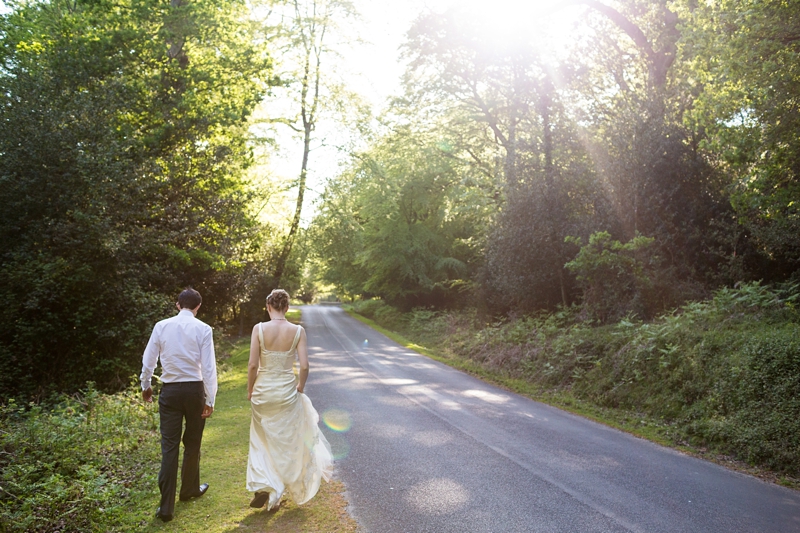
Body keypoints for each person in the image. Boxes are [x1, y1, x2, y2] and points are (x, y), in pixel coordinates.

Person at [246, 289, 333, 511]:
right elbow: (304, 365)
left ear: (268, 307)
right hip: (286, 392)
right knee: (286, 441)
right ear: (287, 307)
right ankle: (277, 487)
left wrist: (250, 389)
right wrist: (300, 387)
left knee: (262, 441)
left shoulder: (259, 329)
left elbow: (253, 365)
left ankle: (268, 485)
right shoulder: (297, 331)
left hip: (263, 392)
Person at [140, 288, 218, 522]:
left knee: (169, 447)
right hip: (195, 391)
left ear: (177, 305)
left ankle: (166, 507)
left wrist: (146, 385)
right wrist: (210, 398)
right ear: (198, 307)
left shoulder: (161, 326)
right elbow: (208, 368)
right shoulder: (203, 329)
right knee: (193, 443)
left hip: (171, 391)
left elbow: (149, 359)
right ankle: (189, 490)